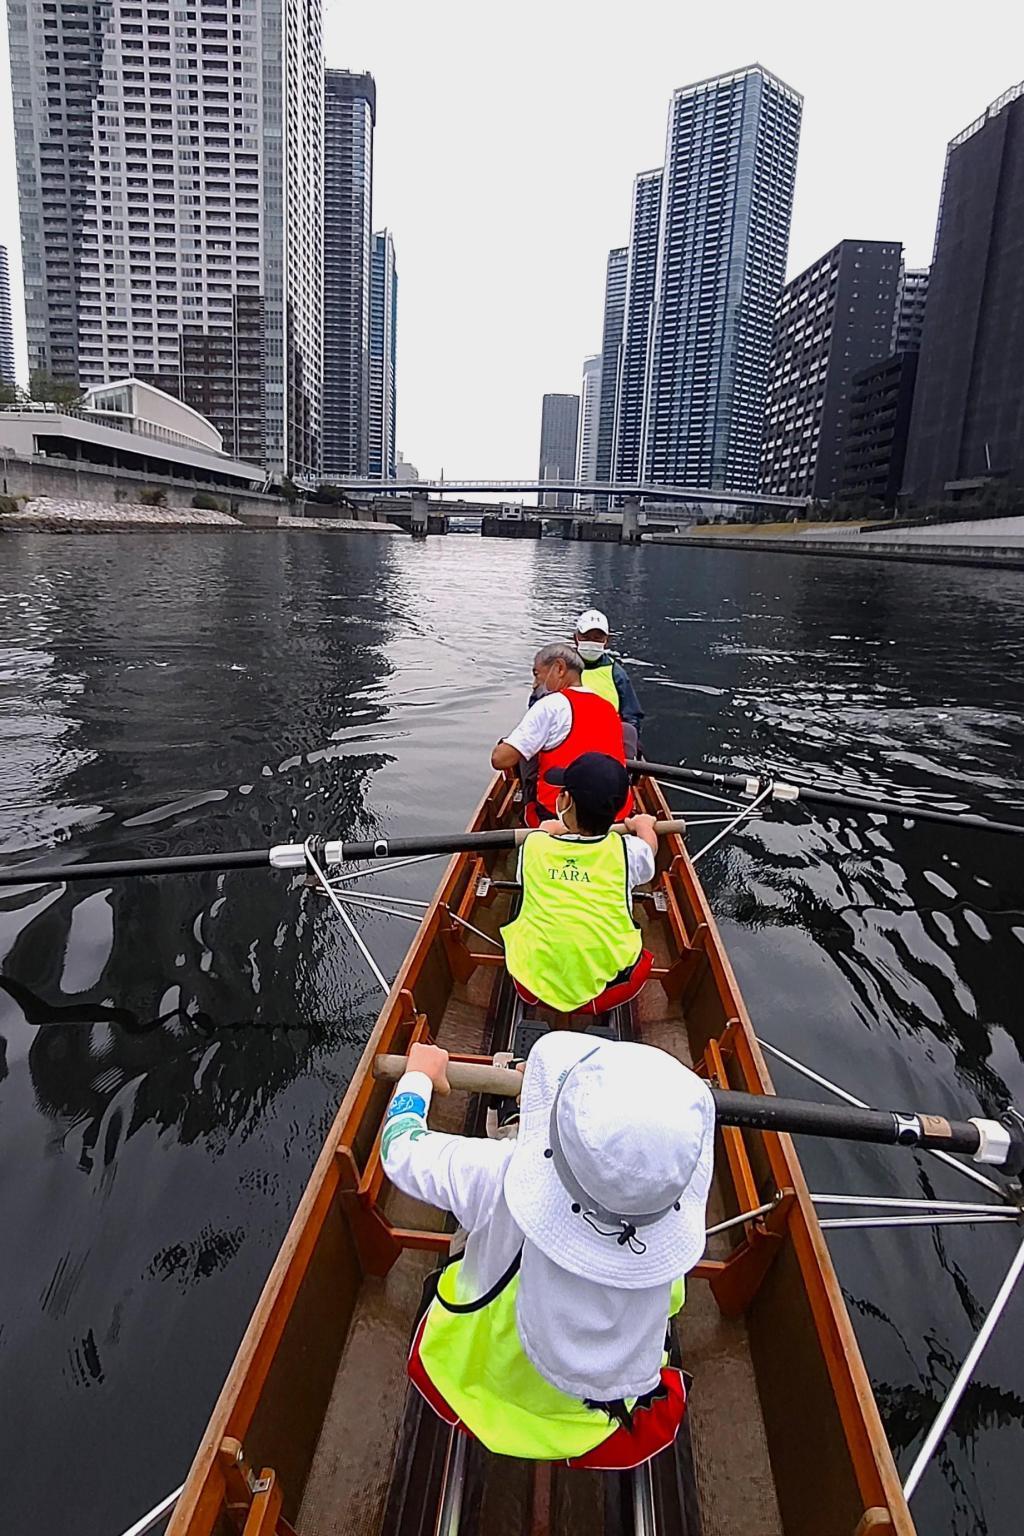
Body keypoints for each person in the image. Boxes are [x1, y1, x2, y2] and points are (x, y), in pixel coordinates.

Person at [381, 1030, 715, 1466]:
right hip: (593, 1429)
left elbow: (400, 1148)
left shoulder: (495, 1173)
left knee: (476, 1224)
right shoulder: (666, 1235)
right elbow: (668, 1305)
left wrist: (419, 1077)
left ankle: (514, 1124)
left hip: (470, 1386)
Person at [502, 753, 658, 1016]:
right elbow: (649, 849)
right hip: (607, 992)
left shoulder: (535, 845)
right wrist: (644, 826)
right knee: (642, 959)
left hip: (529, 986)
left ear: (565, 801)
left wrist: (545, 830)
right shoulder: (627, 851)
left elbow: (523, 878)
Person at [491, 642, 632, 826]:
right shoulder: (607, 707)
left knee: (526, 757)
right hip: (616, 817)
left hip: (560, 818)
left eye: (537, 674)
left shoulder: (550, 705)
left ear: (559, 668)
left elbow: (500, 760)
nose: (535, 684)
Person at [574, 608, 644, 751]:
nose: (591, 642)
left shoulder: (617, 674)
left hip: (607, 745)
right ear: (575, 637)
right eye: (586, 637)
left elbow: (631, 717)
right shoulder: (561, 668)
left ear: (607, 641)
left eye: (597, 638)